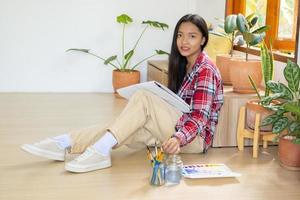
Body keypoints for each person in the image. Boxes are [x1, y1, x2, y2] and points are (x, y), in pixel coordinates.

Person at [21, 14, 224, 173]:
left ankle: (95, 150)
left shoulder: (205, 69)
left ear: (203, 40)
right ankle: (67, 143)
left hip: (193, 140)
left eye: (192, 36)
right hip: (176, 127)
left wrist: (179, 138)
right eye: (180, 35)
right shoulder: (183, 65)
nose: (184, 41)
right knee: (125, 128)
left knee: (144, 97)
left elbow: (199, 117)